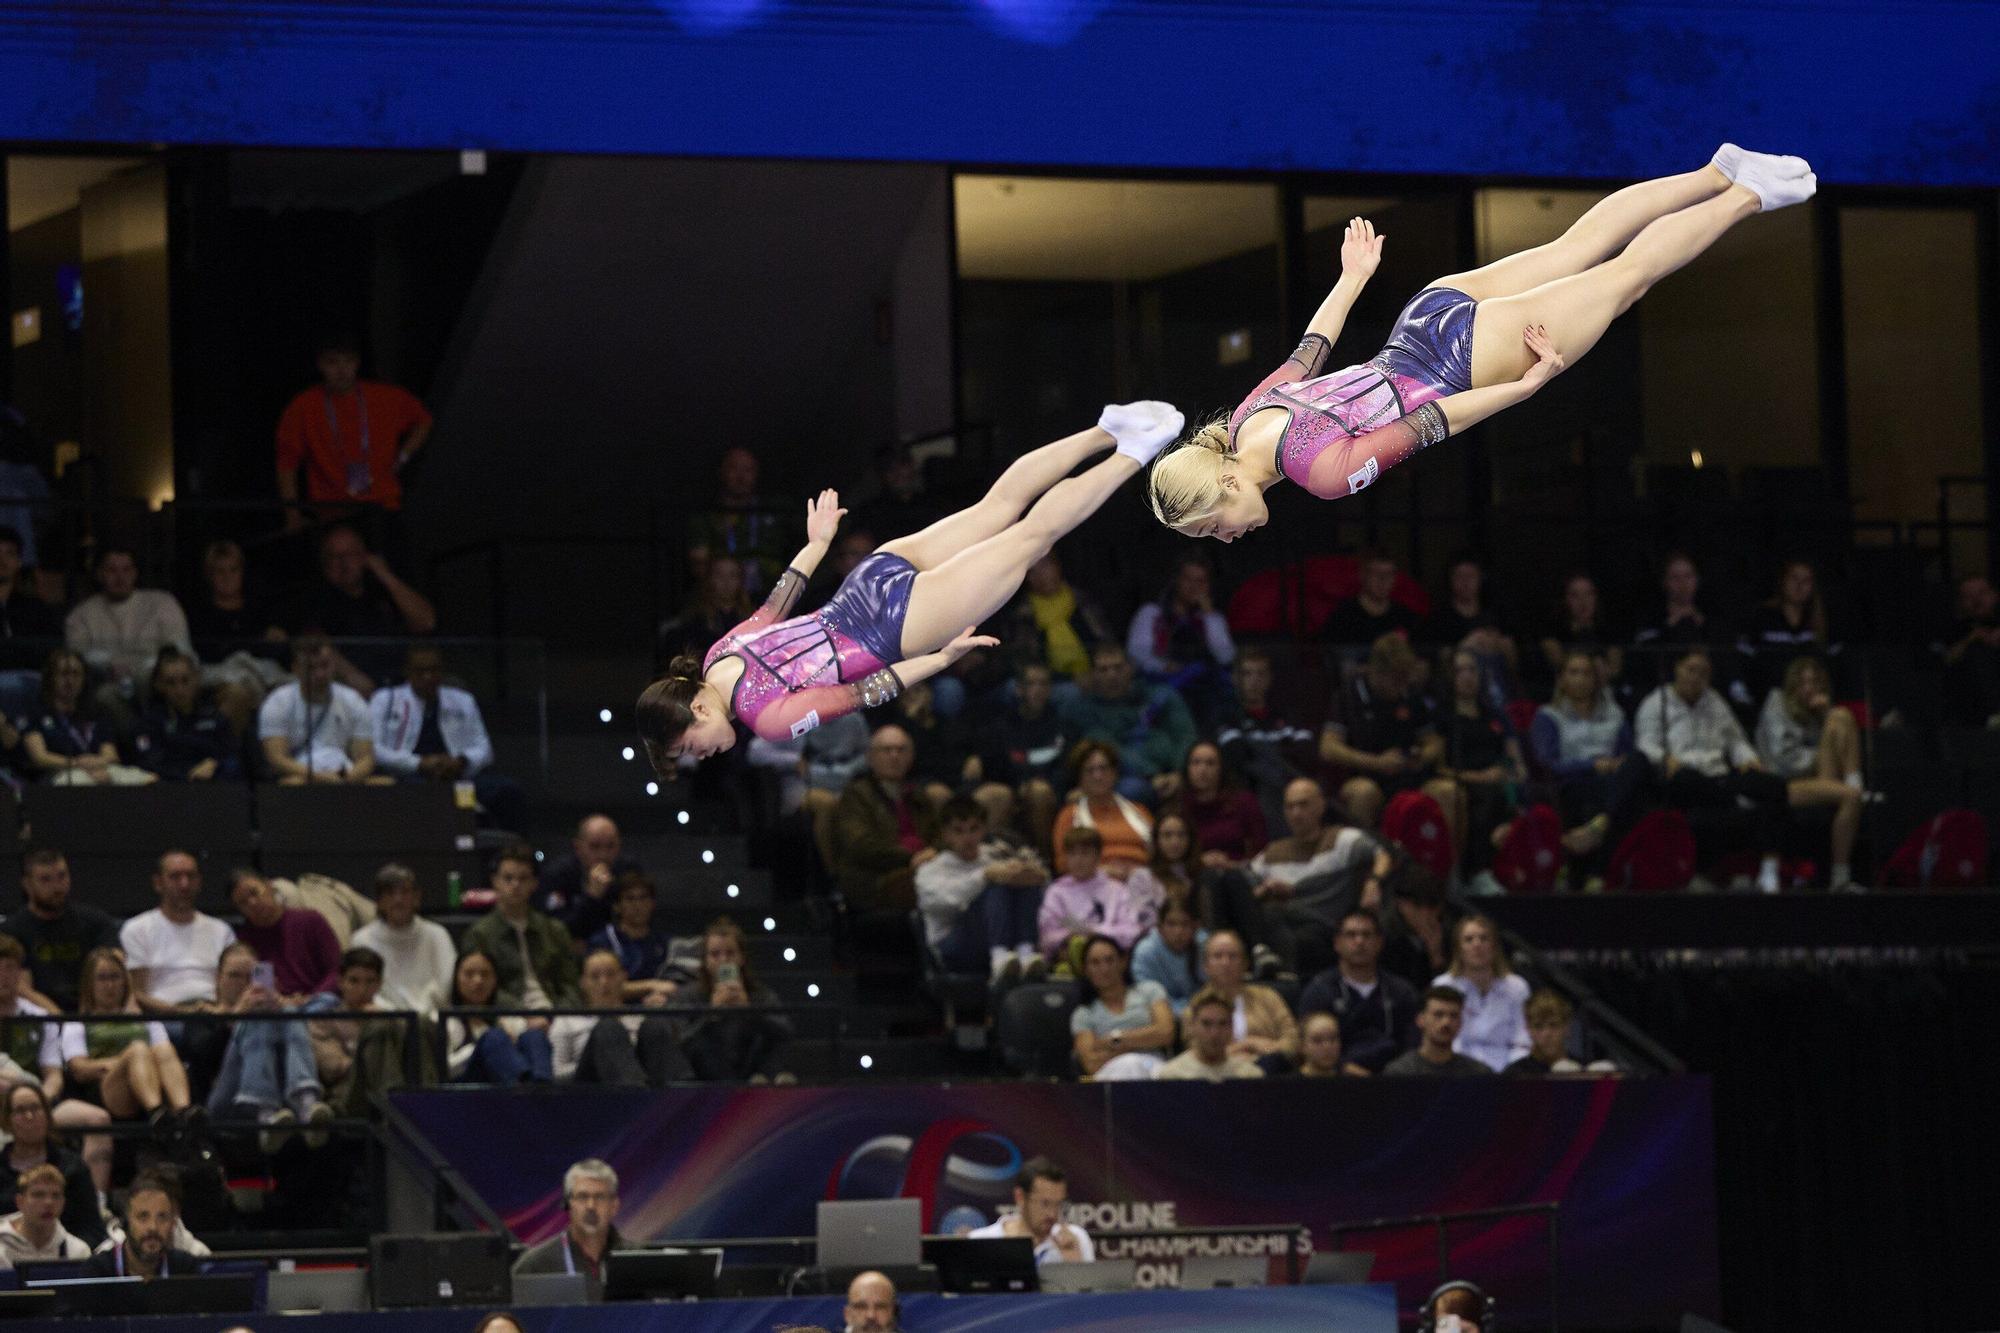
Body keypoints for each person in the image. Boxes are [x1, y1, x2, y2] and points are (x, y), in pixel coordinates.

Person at [1149, 149, 1817, 537]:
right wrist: (1352, 279)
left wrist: (1521, 388)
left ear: (1229, 481)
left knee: (1626, 279)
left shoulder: (1319, 475)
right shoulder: (1243, 421)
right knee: (1577, 247)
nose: (1227, 536)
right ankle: (1717, 173)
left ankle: (1748, 197)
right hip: (1420, 321)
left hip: (1462, 363)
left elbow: (1433, 420)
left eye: (1213, 524)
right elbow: (1310, 350)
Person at [638, 402, 1185, 761]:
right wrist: (819, 544)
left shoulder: (769, 721)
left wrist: (942, 659)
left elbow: (865, 691)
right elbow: (778, 601)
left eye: (689, 746)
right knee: (999, 506)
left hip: (893, 628)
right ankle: (1106, 428)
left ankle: (1133, 453)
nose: (699, 756)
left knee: (1031, 538)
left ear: (699, 710)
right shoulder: (718, 655)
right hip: (864, 582)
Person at [1634, 648, 1789, 892]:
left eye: (1703, 673)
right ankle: (1734, 807)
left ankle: (1769, 869)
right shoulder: (1656, 703)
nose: (1696, 677)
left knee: (1774, 785)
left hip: (1720, 777)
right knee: (1687, 780)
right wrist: (1665, 758)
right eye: (1691, 670)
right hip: (1684, 777)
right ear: (1677, 669)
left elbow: (1736, 740)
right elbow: (1645, 745)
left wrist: (1748, 759)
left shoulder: (1715, 701)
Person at [276, 333, 432, 524]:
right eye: (332, 363)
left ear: (357, 363)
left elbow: (423, 421)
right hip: (330, 511)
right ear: (320, 365)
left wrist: (403, 456)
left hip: (382, 504)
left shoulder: (385, 396)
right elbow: (287, 463)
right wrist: (292, 515)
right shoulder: (303, 406)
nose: (342, 370)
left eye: (348, 361)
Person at [1243, 778, 1390, 979]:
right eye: (1290, 807)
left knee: (1290, 931)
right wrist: (1266, 890)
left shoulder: (1342, 840)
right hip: (1282, 921)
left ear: (1321, 806)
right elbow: (1247, 889)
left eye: (1303, 805)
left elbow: (1383, 854)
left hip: (1322, 924)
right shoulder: (1273, 852)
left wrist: (1374, 882)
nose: (1296, 813)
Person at [371, 644, 527, 833]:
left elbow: (484, 748)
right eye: (421, 671)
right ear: (408, 672)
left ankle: (512, 852)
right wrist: (418, 763)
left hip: (457, 775)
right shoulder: (385, 699)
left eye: (434, 670)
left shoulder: (462, 700)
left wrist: (461, 761)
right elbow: (375, 749)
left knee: (507, 791)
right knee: (423, 794)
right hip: (409, 776)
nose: (428, 676)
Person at [199, 941, 333, 1150]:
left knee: (288, 1013)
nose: (244, 983)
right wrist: (237, 1016)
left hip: (283, 1100)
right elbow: (202, 1055)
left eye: (252, 976)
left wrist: (281, 1006)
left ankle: (305, 1102)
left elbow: (328, 1001)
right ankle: (268, 1111)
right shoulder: (205, 1012)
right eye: (234, 976)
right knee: (258, 1019)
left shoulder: (279, 1010)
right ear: (218, 979)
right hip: (228, 1097)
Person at [1317, 634, 1453, 831]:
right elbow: (1328, 748)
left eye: (1405, 679)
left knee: (1448, 791)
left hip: (1409, 777)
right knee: (1364, 793)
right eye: (1396, 680)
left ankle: (1446, 860)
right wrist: (1377, 763)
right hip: (1366, 775)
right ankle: (1367, 861)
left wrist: (1421, 757)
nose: (1401, 687)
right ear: (1377, 672)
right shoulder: (1349, 694)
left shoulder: (1410, 694)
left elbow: (1434, 742)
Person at [281, 525, 437, 693]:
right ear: (325, 563)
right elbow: (314, 642)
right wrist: (353, 678)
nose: (343, 562)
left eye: (350, 554)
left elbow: (426, 622)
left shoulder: (382, 588)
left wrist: (385, 574)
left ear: (365, 557)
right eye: (334, 556)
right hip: (359, 688)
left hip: (408, 680)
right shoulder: (317, 599)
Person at [1755, 656, 1866, 891]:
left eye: (1815, 683)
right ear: (1792, 684)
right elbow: (1783, 762)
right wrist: (1818, 755)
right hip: (1784, 785)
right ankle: (1840, 878)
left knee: (1841, 715)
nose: (1809, 689)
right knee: (1852, 796)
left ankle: (1854, 781)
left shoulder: (1817, 712)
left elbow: (1831, 746)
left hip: (1818, 781)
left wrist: (1824, 714)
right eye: (1803, 682)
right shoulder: (1776, 702)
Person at [914, 797, 1047, 986]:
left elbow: (1041, 881)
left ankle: (1025, 951)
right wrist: (985, 875)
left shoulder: (995, 854)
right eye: (958, 831)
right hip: (953, 946)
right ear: (945, 834)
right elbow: (944, 903)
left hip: (1000, 936)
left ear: (984, 829)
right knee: (995, 883)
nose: (967, 838)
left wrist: (1032, 875)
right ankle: (1000, 955)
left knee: (1020, 877)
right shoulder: (931, 868)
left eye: (974, 829)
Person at [1529, 650, 1646, 864]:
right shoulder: (1548, 716)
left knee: (1640, 762)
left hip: (1613, 778)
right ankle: (1600, 866)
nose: (1581, 679)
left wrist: (1618, 763)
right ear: (1562, 679)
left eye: (1586, 674)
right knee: (1629, 800)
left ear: (1595, 680)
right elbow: (1547, 763)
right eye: (1574, 673)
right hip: (1574, 782)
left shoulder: (1614, 714)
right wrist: (1591, 765)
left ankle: (1599, 826)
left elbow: (1628, 755)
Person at [61, 949, 197, 1127]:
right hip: (109, 1088)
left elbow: (164, 1057)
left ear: (125, 982)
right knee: (138, 1050)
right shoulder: (77, 1023)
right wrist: (124, 1062)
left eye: (115, 977)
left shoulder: (146, 1020)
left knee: (164, 1049)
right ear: (89, 984)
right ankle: (156, 1113)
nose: (109, 985)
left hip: (151, 1077)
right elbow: (79, 1069)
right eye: (102, 978)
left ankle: (184, 1111)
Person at [63, 547, 193, 721]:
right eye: (111, 570)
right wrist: (108, 664)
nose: (120, 577)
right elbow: (77, 655)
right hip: (111, 686)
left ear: (135, 573)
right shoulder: (81, 614)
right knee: (104, 696)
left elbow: (180, 650)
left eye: (126, 570)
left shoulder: (163, 603)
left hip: (162, 683)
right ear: (100, 574)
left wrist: (150, 669)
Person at [1058, 644, 1198, 803]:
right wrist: (1152, 775)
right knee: (1132, 789)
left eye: (1118, 667)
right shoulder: (1084, 710)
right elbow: (1109, 748)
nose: (1112, 675)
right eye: (1103, 670)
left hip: (1174, 771)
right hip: (1125, 778)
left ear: (1130, 669)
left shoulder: (1161, 695)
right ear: (1093, 675)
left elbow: (1185, 735)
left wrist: (1179, 773)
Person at [828, 725, 941, 912]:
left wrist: (935, 853)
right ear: (870, 757)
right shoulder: (856, 795)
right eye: (887, 750)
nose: (894, 756)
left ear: (911, 757)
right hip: (878, 877)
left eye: (901, 750)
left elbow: (940, 834)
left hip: (926, 869)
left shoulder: (919, 796)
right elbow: (861, 845)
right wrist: (913, 858)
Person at [669, 917, 791, 1083]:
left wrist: (750, 1011)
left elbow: (785, 1033)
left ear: (741, 958)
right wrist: (711, 1015)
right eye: (715, 954)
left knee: (770, 1031)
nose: (723, 960)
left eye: (730, 953)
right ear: (705, 960)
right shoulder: (688, 995)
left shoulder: (760, 994)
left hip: (753, 1071)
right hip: (705, 1075)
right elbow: (681, 1044)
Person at [1298, 910, 1421, 1074]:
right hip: (1336, 1080)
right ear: (1337, 943)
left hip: (1394, 1078)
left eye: (1367, 935)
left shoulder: (1401, 991)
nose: (1359, 941)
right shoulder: (1319, 990)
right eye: (1351, 935)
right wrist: (1343, 1068)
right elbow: (1308, 1044)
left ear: (1379, 942)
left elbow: (1413, 1042)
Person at [460, 846, 580, 1009]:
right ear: (495, 881)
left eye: (523, 879)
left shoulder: (554, 930)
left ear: (534, 883)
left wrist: (562, 1012)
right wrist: (523, 1014)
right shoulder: (479, 934)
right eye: (508, 878)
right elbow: (483, 989)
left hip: (557, 1013)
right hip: (506, 1016)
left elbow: (570, 984)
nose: (516, 885)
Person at [1214, 646, 1319, 832]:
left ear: (1270, 678)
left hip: (1291, 787)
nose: (1254, 681)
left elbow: (1306, 755)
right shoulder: (1227, 717)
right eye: (1247, 674)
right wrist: (1281, 750)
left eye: (1260, 674)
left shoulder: (1289, 714)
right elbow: (1236, 757)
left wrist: (1259, 750)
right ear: (1235, 679)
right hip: (1253, 793)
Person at [2, 847, 120, 1012]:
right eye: (45, 879)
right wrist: (58, 1017)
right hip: (41, 1016)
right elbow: (22, 988)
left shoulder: (96, 922)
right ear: (27, 885)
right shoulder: (12, 930)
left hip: (92, 1013)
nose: (57, 887)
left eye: (62, 876)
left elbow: (116, 968)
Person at [1438, 647, 1526, 864]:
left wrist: (1513, 774)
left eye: (1472, 670)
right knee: (1486, 797)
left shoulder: (1496, 714)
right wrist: (1479, 777)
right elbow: (1439, 769)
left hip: (1502, 780)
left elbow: (1516, 759)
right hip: (1466, 780)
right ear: (1450, 676)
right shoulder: (1443, 716)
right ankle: (1478, 869)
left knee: (1532, 795)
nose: (1468, 676)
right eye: (1460, 670)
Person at [549, 950, 688, 1087]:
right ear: (583, 983)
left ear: (623, 977)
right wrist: (602, 1060)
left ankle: (685, 1100)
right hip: (588, 1090)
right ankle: (634, 1096)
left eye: (610, 975)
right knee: (608, 1028)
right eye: (594, 976)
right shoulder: (567, 1020)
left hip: (645, 1083)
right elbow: (557, 1074)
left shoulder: (640, 1018)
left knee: (654, 1026)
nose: (604, 982)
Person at [121, 850, 237, 1013]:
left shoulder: (221, 930)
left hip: (214, 1011)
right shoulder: (137, 929)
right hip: (165, 1015)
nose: (184, 884)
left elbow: (236, 983)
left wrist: (218, 1010)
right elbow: (137, 993)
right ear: (158, 883)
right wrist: (180, 1012)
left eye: (191, 876)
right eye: (175, 877)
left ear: (199, 882)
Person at [1125, 555, 1236, 725]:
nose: (1194, 587)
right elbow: (1137, 653)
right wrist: (1163, 666)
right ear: (1176, 580)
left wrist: (1209, 616)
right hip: (1162, 680)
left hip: (1204, 684)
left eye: (1201, 581)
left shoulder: (1213, 618)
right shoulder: (1152, 613)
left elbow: (1226, 657)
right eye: (1188, 579)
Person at [259, 634, 384, 784]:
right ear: (296, 668)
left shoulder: (353, 700)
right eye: (311, 668)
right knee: (292, 784)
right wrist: (319, 777)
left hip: (345, 773)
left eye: (325, 666)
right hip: (302, 774)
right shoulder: (277, 702)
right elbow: (277, 759)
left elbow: (365, 758)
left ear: (334, 665)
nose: (319, 674)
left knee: (385, 783)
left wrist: (346, 778)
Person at [20, 648, 154, 785]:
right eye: (64, 674)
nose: (70, 680)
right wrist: (77, 763)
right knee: (81, 782)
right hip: (59, 771)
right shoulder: (36, 712)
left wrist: (97, 763)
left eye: (76, 674)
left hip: (99, 767)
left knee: (148, 780)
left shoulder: (97, 711)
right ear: (51, 677)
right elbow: (39, 757)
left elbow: (110, 754)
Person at [0, 1084, 106, 1249]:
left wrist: (71, 1253)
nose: (29, 1116)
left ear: (47, 1115)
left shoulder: (73, 1167)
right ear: (7, 1121)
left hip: (64, 1261)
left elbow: (92, 1229)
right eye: (20, 1111)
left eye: (35, 1108)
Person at [973, 661, 1069, 843]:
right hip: (1011, 789)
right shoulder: (1002, 726)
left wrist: (1039, 783)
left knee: (1039, 792)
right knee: (995, 794)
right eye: (1031, 684)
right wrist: (1021, 785)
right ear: (1019, 689)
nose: (1038, 690)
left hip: (1050, 791)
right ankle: (990, 856)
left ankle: (1044, 858)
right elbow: (996, 767)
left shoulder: (1062, 725)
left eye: (1043, 684)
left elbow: (1065, 768)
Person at [1037, 827, 1161, 965]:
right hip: (1067, 952)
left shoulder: (1117, 890)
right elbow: (1047, 935)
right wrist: (1070, 936)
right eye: (1072, 854)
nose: (1078, 860)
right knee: (1069, 948)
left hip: (1110, 953)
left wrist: (1096, 933)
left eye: (1085, 854)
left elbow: (1131, 930)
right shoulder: (1056, 892)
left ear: (1097, 856)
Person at [684, 446, 793, 597]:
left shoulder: (773, 513)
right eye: (734, 468)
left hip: (772, 596)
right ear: (722, 472)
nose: (741, 477)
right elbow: (699, 564)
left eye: (748, 470)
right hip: (720, 599)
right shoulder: (707, 516)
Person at [351, 864, 457, 1017]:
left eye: (405, 892)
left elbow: (447, 983)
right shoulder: (362, 940)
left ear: (416, 897)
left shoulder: (437, 935)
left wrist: (422, 1012)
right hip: (381, 1019)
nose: (398, 899)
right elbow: (361, 990)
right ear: (379, 901)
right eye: (390, 893)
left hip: (431, 1017)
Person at [510, 1160, 626, 1301]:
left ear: (614, 1206)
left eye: (600, 1197)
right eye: (582, 1197)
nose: (591, 1206)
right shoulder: (535, 1265)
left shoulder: (637, 1260)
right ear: (568, 1204)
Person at [1736, 558, 1842, 706]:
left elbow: (1834, 667)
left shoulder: (1821, 622)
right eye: (1794, 578)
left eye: (1806, 580)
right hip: (1770, 702)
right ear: (1783, 581)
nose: (1799, 585)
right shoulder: (1762, 617)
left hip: (1812, 702)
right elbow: (1743, 660)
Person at [1431, 916, 1530, 1072]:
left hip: (1506, 1073)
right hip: (1456, 1072)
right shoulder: (1444, 985)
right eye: (1469, 940)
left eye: (1484, 938)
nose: (1477, 945)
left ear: (1495, 946)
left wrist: (1511, 1073)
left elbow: (1522, 1041)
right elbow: (1442, 1039)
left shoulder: (1517, 987)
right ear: (1458, 948)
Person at [1068, 934, 1174, 1081]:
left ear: (1123, 961)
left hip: (1152, 1065)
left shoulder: (1150, 990)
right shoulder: (1083, 1014)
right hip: (1111, 1072)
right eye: (1095, 963)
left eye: (1109, 960)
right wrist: (1139, 1043)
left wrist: (1115, 1039)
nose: (1104, 968)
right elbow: (1091, 1063)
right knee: (1129, 1064)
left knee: (1138, 1066)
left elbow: (1166, 1032)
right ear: (1085, 969)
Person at [128, 648, 241, 782]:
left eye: (185, 680)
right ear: (159, 685)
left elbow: (231, 752)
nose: (179, 690)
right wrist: (188, 773)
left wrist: (214, 763)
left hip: (214, 786)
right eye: (171, 683)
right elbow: (148, 761)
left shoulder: (214, 717)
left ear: (196, 679)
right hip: (170, 789)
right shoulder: (148, 723)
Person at [1049, 740, 1155, 879]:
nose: (1098, 776)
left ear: (1114, 773)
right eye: (1090, 770)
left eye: (1103, 768)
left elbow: (1159, 855)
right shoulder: (1069, 816)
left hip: (1141, 884)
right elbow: (1063, 864)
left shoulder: (1139, 811)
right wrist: (1100, 871)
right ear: (1079, 778)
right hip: (1091, 886)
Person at [1006, 552, 1116, 686]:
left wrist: (1095, 671)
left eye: (1045, 566)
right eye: (1033, 571)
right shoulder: (1023, 615)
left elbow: (1105, 639)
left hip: (1096, 673)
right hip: (1050, 684)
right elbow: (1023, 658)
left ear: (1057, 566)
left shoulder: (1082, 601)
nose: (1041, 575)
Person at [444, 949, 552, 1085]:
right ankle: (528, 1097)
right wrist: (481, 1047)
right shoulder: (446, 1021)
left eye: (485, 974)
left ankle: (543, 1092)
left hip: (510, 1088)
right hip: (467, 1090)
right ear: (456, 979)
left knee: (534, 1036)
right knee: (494, 1038)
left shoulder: (508, 1020)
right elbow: (446, 1069)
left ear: (495, 980)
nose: (478, 981)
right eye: (469, 974)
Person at [230, 869, 343, 998]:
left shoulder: (311, 921)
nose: (252, 903)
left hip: (318, 1003)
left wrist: (311, 999)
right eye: (243, 902)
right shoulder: (245, 940)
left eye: (254, 893)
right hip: (272, 1007)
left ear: (269, 886)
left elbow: (336, 971)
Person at [1196, 931, 1299, 1071]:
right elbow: (1195, 1051)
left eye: (1233, 956)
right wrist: (1246, 1046)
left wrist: (1260, 1047)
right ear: (1205, 966)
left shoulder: (1268, 997)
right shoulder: (1198, 1004)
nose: (1225, 963)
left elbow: (1293, 1042)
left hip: (1269, 1072)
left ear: (1245, 964)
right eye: (1217, 956)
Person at [537, 814, 644, 942]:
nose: (603, 855)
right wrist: (591, 897)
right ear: (578, 847)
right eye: (595, 847)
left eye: (610, 846)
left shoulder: (628, 872)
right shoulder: (558, 875)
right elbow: (555, 927)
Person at [969, 1157, 1095, 1265]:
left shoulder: (1077, 1239)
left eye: (1058, 1204)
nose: (1052, 1214)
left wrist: (1074, 1264)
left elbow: (1095, 1291)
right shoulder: (981, 1242)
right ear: (1020, 1197)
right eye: (1044, 1203)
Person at [80, 1170, 200, 1279]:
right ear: (127, 1220)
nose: (153, 1227)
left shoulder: (186, 1269)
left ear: (173, 1223)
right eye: (143, 1217)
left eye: (162, 1217)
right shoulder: (97, 1271)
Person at [1168, 740, 1267, 867]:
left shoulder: (1244, 802)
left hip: (1240, 873)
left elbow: (1261, 851)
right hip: (1192, 875)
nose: (1202, 770)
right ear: (1187, 769)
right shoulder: (1178, 807)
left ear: (1221, 768)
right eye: (1196, 763)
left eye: (1210, 763)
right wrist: (1198, 862)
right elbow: (1169, 856)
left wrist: (1233, 864)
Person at [0, 525, 60, 721]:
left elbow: (50, 648)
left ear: (18, 562)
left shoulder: (35, 607)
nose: (2, 560)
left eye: (9, 554)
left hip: (31, 679)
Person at [658, 555, 754, 669]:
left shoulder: (752, 620)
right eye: (719, 575)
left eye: (732, 575)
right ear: (709, 579)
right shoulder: (695, 621)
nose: (726, 582)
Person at [586, 872, 676, 995]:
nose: (638, 905)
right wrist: (650, 986)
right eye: (630, 899)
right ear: (617, 906)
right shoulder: (603, 942)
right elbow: (599, 987)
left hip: (656, 1008)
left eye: (643, 898)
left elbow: (671, 985)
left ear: (652, 903)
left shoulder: (665, 942)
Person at [1933, 572, 2000, 727]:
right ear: (1961, 602)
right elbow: (1944, 660)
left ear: (1995, 595)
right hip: (1972, 706)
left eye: (1982, 593)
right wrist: (1972, 639)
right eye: (1969, 596)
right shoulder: (1953, 630)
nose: (1977, 600)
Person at [1155, 987, 1265, 1082]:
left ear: (1231, 1027)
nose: (1215, 1033)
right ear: (1192, 1026)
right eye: (1206, 1024)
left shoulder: (1250, 1076)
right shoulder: (1171, 1076)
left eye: (1222, 1024)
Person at [1536, 571, 1624, 688]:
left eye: (1589, 594)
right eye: (1574, 595)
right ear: (1564, 599)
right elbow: (1559, 663)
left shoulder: (1609, 631)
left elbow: (1615, 670)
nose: (1583, 601)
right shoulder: (1552, 632)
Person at [1322, 551, 1421, 654]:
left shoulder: (1405, 617)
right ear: (1362, 576)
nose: (1383, 580)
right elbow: (1334, 658)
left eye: (1389, 574)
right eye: (1376, 573)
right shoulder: (1343, 616)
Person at [1382, 987, 1494, 1078]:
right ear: (1420, 1020)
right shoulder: (1400, 1073)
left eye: (1454, 1016)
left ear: (1461, 1023)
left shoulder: (1478, 1074)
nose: (1446, 1022)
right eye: (1438, 1015)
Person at [0, 1161, 92, 1260]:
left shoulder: (78, 1252)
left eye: (56, 1196)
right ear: (20, 1201)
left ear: (63, 1202)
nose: (48, 1202)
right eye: (38, 1195)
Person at [1130, 897, 1204, 1016]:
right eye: (1171, 924)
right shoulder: (1145, 952)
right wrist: (1187, 1011)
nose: (1178, 931)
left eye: (1185, 924)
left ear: (1196, 926)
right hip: (1162, 1015)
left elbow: (1214, 988)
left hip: (1205, 1013)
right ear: (1159, 927)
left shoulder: (1206, 945)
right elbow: (1148, 999)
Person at [1295, 1011, 1364, 1078]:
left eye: (1333, 1039)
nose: (1327, 1047)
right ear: (1302, 1046)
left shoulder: (1353, 1079)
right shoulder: (1290, 1084)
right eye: (1317, 1040)